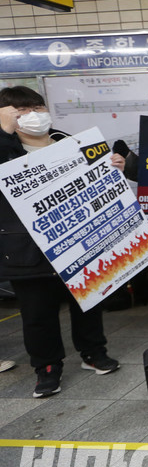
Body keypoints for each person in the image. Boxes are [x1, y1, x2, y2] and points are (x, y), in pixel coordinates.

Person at [0, 86, 121, 398]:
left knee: (88, 301)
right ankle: (47, 367)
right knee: (37, 314)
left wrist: (114, 168)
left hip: (78, 242)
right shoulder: (6, 150)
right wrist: (3, 132)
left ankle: (93, 352)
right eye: (22, 110)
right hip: (27, 250)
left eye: (38, 108)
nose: (34, 115)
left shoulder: (68, 142)